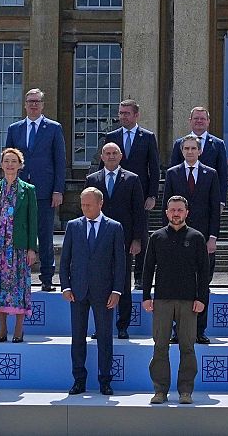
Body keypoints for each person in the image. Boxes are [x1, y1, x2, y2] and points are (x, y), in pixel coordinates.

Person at [142, 196, 210, 404]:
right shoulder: (157, 237)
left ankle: (185, 391)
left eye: (180, 210)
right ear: (166, 213)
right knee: (160, 345)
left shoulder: (197, 237)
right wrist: (146, 296)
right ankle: (160, 390)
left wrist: (201, 298)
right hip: (162, 300)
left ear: (187, 213)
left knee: (187, 346)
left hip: (189, 301)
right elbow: (147, 269)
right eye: (172, 210)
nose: (176, 213)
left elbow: (204, 272)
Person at [61, 186, 127, 395]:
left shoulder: (114, 227)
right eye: (82, 204)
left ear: (100, 204)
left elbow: (120, 263)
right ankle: (79, 380)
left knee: (105, 338)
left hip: (104, 292)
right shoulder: (73, 226)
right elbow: (65, 260)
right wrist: (65, 286)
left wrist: (117, 291)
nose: (85, 208)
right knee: (77, 337)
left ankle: (105, 380)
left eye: (88, 205)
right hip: (78, 291)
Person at [5, 88, 67, 291]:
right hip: (19, 191)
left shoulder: (53, 128)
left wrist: (58, 189)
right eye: (30, 101)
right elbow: (8, 161)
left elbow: (60, 161)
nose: (33, 105)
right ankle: (18, 276)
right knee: (18, 233)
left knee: (45, 235)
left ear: (42, 105)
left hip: (45, 191)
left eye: (37, 102)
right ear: (24, 104)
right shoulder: (15, 129)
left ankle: (47, 278)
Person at [84, 142, 147, 340]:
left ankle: (123, 325)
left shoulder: (132, 179)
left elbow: (139, 212)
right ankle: (101, 326)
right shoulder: (92, 179)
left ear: (120, 157)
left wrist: (137, 239)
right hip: (98, 240)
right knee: (99, 284)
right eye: (107, 153)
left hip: (124, 240)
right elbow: (86, 211)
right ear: (101, 156)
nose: (111, 156)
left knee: (123, 282)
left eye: (114, 153)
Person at [163, 134, 221, 343]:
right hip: (178, 238)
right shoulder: (172, 174)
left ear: (200, 151)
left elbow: (215, 209)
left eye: (193, 148)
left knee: (202, 284)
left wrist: (212, 237)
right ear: (181, 151)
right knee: (177, 284)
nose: (189, 152)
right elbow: (166, 209)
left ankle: (199, 330)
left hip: (204, 239)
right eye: (186, 148)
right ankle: (178, 331)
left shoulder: (211, 174)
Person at [0, 147, 38, 342]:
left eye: (14, 161)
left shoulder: (28, 190)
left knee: (19, 287)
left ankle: (18, 329)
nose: (10, 164)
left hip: (19, 247)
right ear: (1, 165)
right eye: (6, 161)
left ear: (20, 165)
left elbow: (33, 221)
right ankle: (2, 330)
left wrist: (32, 248)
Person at [97, 99, 159, 215]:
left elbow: (154, 168)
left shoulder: (148, 137)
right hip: (115, 190)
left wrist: (152, 195)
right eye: (121, 113)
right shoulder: (112, 136)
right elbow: (103, 165)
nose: (123, 116)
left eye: (127, 113)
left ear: (136, 115)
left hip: (140, 192)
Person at [181, 106, 228, 208]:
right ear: (190, 121)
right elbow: (174, 172)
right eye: (196, 118)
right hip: (184, 199)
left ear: (208, 122)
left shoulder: (218, 144)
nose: (199, 121)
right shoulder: (179, 143)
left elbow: (223, 173)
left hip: (209, 198)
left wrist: (221, 201)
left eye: (202, 119)